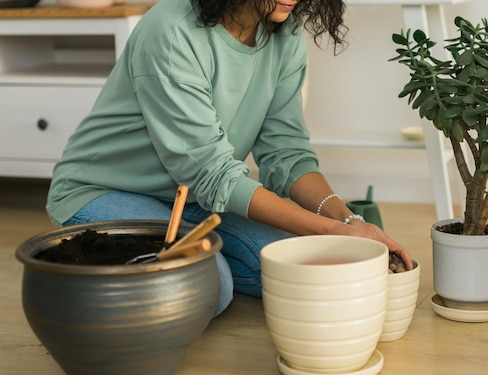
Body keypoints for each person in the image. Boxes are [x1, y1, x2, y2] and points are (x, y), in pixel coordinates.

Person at [46, 0, 413, 317]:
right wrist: (336, 233)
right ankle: (80, 265)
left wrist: (349, 222)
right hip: (102, 190)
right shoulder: (172, 30)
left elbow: (286, 152)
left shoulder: (284, 32)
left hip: (196, 199)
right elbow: (212, 172)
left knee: (306, 264)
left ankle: (167, 262)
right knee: (211, 288)